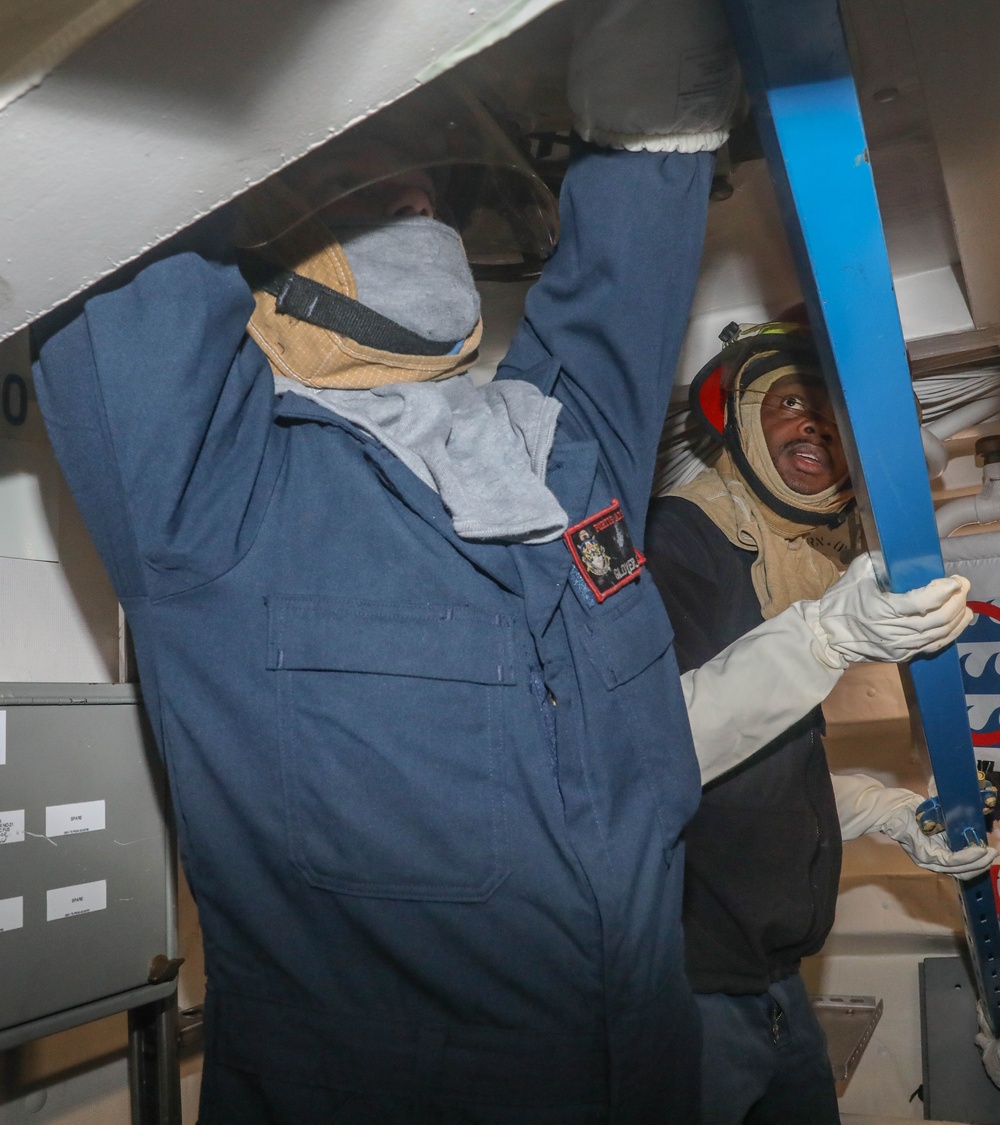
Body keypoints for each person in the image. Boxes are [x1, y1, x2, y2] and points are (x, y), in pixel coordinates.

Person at [31, 2, 746, 1120]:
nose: (419, 200)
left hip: (646, 1069)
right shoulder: (212, 502)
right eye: (362, 190)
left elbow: (635, 224)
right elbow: (119, 220)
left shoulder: (557, 459)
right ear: (266, 270)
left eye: (424, 195)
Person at [645, 321, 995, 1125]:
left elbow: (762, 776)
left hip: (774, 981)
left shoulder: (796, 563)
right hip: (690, 991)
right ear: (741, 417)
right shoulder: (681, 542)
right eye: (793, 402)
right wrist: (829, 638)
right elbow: (651, 754)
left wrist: (886, 812)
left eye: (836, 422)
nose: (816, 428)